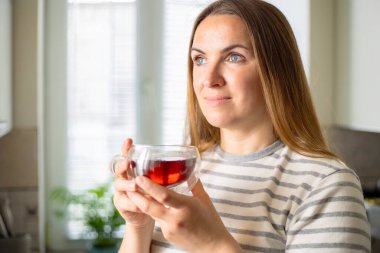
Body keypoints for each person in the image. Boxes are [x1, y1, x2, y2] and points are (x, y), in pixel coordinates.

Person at [112, 0, 371, 252]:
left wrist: (214, 247)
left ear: (277, 71)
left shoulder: (326, 184)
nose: (209, 78)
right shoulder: (179, 172)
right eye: (200, 59)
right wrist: (139, 226)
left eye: (234, 57)